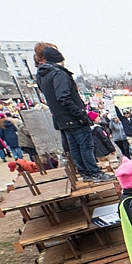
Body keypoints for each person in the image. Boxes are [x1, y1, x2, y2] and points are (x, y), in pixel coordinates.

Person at [34, 43, 111, 182]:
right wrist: (81, 115)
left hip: (63, 119)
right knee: (86, 146)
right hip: (73, 118)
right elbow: (64, 98)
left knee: (75, 147)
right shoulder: (58, 73)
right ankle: (94, 173)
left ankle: (86, 173)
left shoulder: (42, 75)